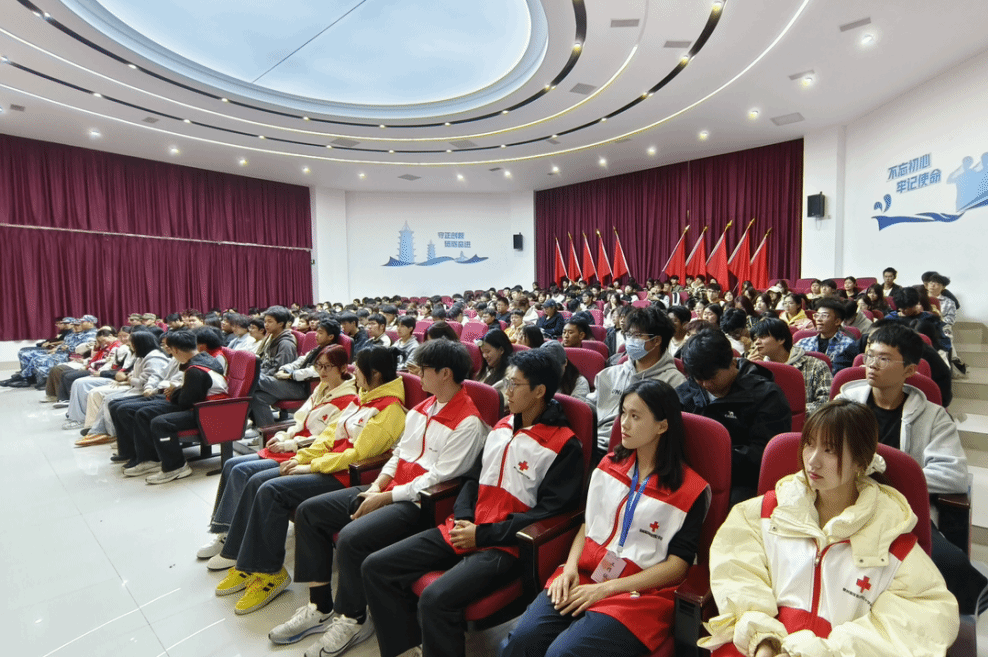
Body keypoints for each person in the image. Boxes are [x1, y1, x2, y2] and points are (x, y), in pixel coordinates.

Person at [267, 339, 487, 652]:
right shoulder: (423, 408)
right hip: (389, 488)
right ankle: (320, 606)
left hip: (420, 504)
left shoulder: (468, 423)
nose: (416, 376)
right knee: (309, 512)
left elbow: (439, 479)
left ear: (445, 373)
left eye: (423, 369)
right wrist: (376, 486)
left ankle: (354, 618)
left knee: (352, 537)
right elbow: (399, 454)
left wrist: (385, 497)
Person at [363, 349, 585, 657]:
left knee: (435, 598)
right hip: (465, 527)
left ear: (539, 391)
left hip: (505, 545)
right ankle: (405, 649)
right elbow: (471, 479)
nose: (506, 391)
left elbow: (549, 514)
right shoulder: (501, 426)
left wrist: (481, 535)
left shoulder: (564, 445)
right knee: (376, 566)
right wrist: (465, 517)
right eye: (507, 382)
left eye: (514, 384)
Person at [699, 400, 959, 657]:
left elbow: (927, 614)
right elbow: (738, 576)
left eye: (830, 450)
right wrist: (764, 641)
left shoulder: (887, 536)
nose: (813, 461)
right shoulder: (764, 513)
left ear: (861, 462)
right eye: (809, 444)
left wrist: (819, 652)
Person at [500, 380, 710, 657]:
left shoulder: (690, 490)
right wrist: (570, 568)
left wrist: (607, 589)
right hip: (586, 575)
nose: (624, 423)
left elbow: (678, 567)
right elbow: (588, 526)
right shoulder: (608, 466)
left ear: (662, 426)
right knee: (522, 641)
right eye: (623, 413)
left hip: (639, 595)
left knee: (562, 653)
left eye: (635, 416)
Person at [213, 346, 405, 615]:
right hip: (325, 464)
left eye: (358, 369)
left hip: (344, 475)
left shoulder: (390, 409)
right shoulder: (363, 397)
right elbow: (328, 437)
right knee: (260, 482)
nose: (354, 373)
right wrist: (302, 457)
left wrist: (310, 466)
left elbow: (357, 454)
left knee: (272, 490)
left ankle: (269, 574)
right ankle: (248, 564)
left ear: (374, 374)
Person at [836, 323, 986, 614]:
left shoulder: (933, 417)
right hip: (845, 501)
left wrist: (890, 476)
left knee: (948, 566)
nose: (871, 365)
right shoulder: (844, 404)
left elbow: (953, 475)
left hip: (902, 509)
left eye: (883, 358)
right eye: (869, 356)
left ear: (909, 370)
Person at [197, 344, 359, 561]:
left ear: (343, 368)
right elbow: (299, 422)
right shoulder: (321, 389)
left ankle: (232, 537)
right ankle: (223, 530)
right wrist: (283, 436)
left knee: (244, 472)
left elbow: (327, 439)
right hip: (291, 445)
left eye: (327, 367)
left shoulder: (348, 400)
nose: (321, 371)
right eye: (318, 365)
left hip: (306, 451)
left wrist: (290, 445)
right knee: (231, 465)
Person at [677, 330, 791, 504]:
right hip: (692, 469)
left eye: (712, 378)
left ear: (732, 363)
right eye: (699, 379)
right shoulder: (688, 391)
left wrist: (712, 454)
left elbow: (764, 455)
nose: (706, 385)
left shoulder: (767, 396)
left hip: (741, 478)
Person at [115, 329, 228, 483]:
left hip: (207, 411)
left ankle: (176, 466)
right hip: (204, 405)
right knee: (143, 412)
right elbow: (193, 392)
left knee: (159, 421)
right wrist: (178, 390)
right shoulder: (205, 358)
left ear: (175, 350)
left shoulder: (195, 370)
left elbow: (185, 402)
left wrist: (175, 392)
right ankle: (149, 458)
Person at [588, 307, 686, 460]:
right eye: (628, 335)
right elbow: (589, 409)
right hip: (594, 445)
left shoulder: (674, 382)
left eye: (637, 336)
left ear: (656, 340)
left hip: (636, 453)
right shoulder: (609, 374)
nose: (630, 341)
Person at [749, 317, 832, 415]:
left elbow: (826, 402)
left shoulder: (816, 365)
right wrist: (747, 370)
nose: (757, 342)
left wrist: (787, 412)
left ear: (781, 339)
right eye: (755, 339)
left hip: (805, 421)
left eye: (762, 337)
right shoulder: (756, 367)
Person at [247, 306, 300, 427]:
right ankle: (268, 432)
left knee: (250, 381)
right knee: (257, 397)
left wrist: (260, 375)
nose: (266, 325)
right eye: (265, 321)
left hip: (289, 384)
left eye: (270, 322)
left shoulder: (285, 344)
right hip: (273, 381)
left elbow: (280, 370)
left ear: (281, 323)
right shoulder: (270, 338)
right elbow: (265, 363)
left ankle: (240, 421)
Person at [793, 298, 859, 373]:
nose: (818, 319)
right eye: (817, 315)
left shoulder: (848, 345)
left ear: (837, 321)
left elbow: (842, 375)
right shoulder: (803, 342)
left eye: (824, 316)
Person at [475, 329, 512, 395]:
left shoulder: (510, 374)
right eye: (483, 352)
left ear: (501, 350)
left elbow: (505, 398)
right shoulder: (489, 369)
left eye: (488, 351)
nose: (484, 356)